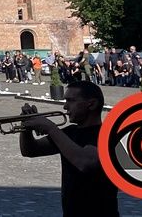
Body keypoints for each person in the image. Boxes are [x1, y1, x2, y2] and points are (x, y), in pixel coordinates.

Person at [19, 81, 119, 216]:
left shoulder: (107, 136)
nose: (65, 106)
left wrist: (51, 128)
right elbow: (30, 150)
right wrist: (26, 126)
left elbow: (85, 162)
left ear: (92, 104)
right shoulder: (70, 132)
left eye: (71, 101)